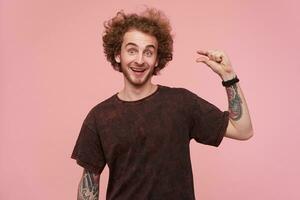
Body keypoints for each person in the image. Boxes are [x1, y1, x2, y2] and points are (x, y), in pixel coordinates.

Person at [71, 7, 253, 200]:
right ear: (118, 55)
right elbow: (90, 183)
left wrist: (228, 76)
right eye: (132, 50)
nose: (139, 60)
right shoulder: (99, 117)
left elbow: (242, 129)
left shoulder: (182, 103)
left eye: (148, 52)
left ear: (158, 59)